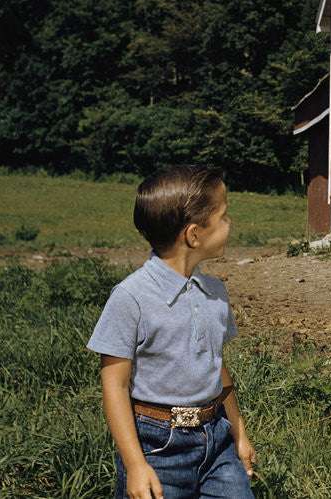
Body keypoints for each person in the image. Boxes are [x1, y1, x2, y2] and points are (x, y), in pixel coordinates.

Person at [88, 164, 255, 499]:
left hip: (217, 439)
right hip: (157, 447)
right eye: (223, 216)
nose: (230, 222)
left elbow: (217, 367)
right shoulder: (131, 297)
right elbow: (115, 385)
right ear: (194, 235)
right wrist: (135, 464)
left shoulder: (214, 291)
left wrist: (238, 433)